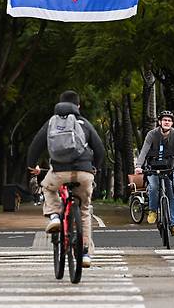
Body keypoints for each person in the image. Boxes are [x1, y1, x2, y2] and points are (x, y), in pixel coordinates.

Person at [27, 90, 104, 268]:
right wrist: (95, 169)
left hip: (59, 173)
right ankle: (85, 253)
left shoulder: (52, 122)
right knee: (84, 211)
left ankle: (54, 215)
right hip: (84, 173)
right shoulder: (84, 122)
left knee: (47, 187)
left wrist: (32, 166)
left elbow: (35, 147)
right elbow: (100, 149)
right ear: (78, 106)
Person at [134, 110, 174, 237]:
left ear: (172, 123)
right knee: (153, 188)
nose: (167, 122)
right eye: (164, 120)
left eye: (169, 121)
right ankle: (153, 210)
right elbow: (143, 151)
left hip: (171, 168)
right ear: (160, 122)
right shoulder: (151, 134)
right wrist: (138, 166)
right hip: (153, 168)